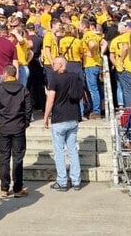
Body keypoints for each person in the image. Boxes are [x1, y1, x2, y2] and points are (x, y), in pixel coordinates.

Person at [0, 65, 33, 198]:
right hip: (18, 127)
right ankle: (18, 188)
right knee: (18, 158)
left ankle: (4, 188)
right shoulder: (23, 90)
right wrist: (25, 123)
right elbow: (28, 109)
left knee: (3, 158)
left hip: (4, 127)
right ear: (15, 74)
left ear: (5, 74)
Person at [43, 56, 83, 192]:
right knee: (73, 150)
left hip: (59, 118)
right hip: (73, 117)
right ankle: (76, 181)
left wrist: (45, 116)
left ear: (60, 65)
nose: (52, 66)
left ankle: (62, 181)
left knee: (59, 151)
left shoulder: (54, 78)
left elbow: (50, 99)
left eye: (54, 63)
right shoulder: (74, 77)